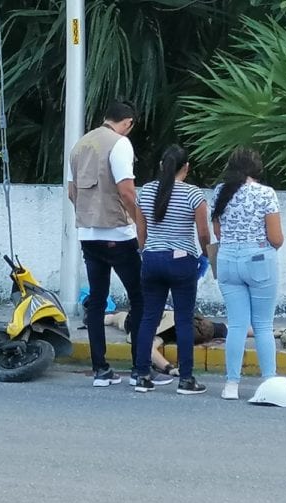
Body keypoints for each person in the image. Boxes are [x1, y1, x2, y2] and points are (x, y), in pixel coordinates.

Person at [68, 100, 172, 388]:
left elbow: (71, 192)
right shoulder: (120, 144)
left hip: (88, 235)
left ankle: (101, 370)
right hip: (118, 234)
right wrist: (140, 223)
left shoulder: (79, 145)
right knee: (141, 299)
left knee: (97, 303)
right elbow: (127, 191)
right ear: (127, 123)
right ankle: (141, 369)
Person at [133, 144, 211, 394]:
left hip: (152, 259)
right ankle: (186, 379)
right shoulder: (193, 195)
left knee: (149, 318)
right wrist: (206, 256)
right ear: (186, 168)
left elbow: (141, 232)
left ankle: (142, 374)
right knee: (184, 319)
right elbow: (202, 233)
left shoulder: (145, 192)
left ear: (160, 166)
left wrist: (146, 253)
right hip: (182, 261)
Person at [211, 148, 283, 400]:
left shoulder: (220, 192)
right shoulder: (265, 194)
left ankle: (231, 384)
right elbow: (276, 238)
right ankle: (269, 382)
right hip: (259, 260)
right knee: (263, 326)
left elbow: (218, 233)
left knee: (237, 325)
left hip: (228, 260)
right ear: (256, 169)